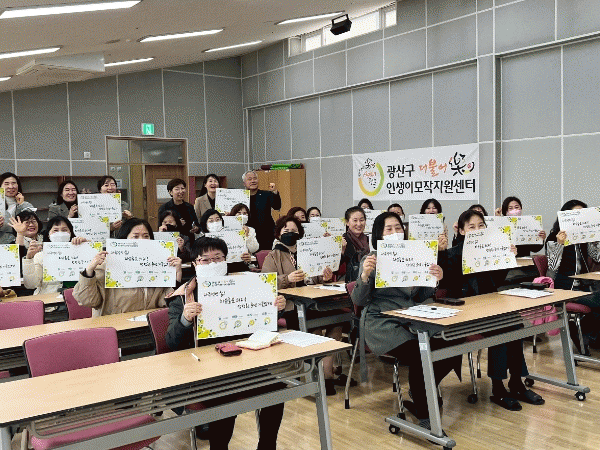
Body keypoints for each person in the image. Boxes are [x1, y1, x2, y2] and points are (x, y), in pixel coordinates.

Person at [165, 236, 286, 450]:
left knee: (276, 389)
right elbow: (172, 343)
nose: (212, 263)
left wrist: (275, 309)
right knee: (224, 397)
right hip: (204, 367)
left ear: (226, 260)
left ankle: (267, 445)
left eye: (218, 258)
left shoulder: (244, 286)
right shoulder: (183, 296)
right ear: (194, 264)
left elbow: (259, 327)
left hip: (242, 358)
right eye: (205, 259)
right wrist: (185, 319)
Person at [351, 211, 458, 431]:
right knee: (421, 354)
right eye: (388, 229)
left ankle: (421, 389)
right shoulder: (371, 259)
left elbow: (419, 296)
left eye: (398, 228)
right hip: (383, 323)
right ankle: (426, 414)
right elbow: (358, 300)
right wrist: (364, 276)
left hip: (412, 318)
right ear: (379, 234)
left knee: (453, 344)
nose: (395, 232)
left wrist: (434, 279)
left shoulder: (415, 253)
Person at [440, 209, 544, 411]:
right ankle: (498, 386)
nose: (477, 230)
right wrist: (442, 254)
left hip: (490, 305)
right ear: (461, 231)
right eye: (471, 227)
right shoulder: (453, 254)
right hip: (466, 311)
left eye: (481, 226)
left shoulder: (489, 248)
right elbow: (446, 282)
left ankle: (516, 382)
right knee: (500, 329)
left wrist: (506, 258)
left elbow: (495, 281)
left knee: (516, 323)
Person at [261, 216, 345, 394]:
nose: (290, 234)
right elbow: (266, 282)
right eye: (286, 231)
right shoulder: (273, 255)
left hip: (314, 302)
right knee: (314, 329)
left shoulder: (308, 251)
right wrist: (287, 278)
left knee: (337, 322)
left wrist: (324, 277)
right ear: (279, 234)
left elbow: (316, 278)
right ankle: (320, 377)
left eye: (294, 231)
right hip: (292, 307)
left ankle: (326, 372)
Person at [73, 218, 182, 316]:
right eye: (135, 236)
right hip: (115, 327)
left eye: (146, 236)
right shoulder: (108, 264)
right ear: (124, 239)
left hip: (146, 326)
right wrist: (89, 271)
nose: (141, 240)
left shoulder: (157, 265)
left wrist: (176, 276)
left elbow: (165, 302)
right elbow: (88, 301)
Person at [22, 216, 87, 294]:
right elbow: (31, 285)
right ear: (49, 234)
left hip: (76, 296)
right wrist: (29, 259)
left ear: (70, 233)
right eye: (55, 230)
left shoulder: (79, 253)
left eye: (64, 230)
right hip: (49, 298)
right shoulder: (40, 256)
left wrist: (86, 247)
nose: (60, 233)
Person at [243, 170, 281, 250]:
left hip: (267, 233)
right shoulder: (240, 196)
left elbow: (277, 206)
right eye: (249, 179)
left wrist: (274, 192)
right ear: (244, 183)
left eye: (255, 178)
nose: (253, 181)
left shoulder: (266, 194)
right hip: (248, 233)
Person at [0, 172, 35, 244]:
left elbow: (32, 222)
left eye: (13, 183)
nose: (11, 187)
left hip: (23, 242)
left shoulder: (26, 204)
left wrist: (22, 204)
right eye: (6, 184)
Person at [341, 207, 369, 283]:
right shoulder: (342, 241)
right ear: (347, 222)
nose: (359, 224)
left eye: (362, 220)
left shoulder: (369, 240)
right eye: (355, 220)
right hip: (349, 283)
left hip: (368, 281)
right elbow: (335, 268)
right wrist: (342, 252)